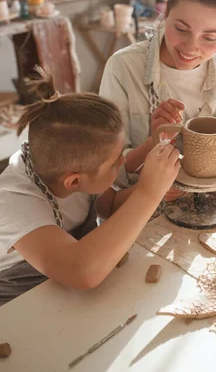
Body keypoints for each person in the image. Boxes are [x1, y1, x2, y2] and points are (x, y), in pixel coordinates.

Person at [0, 67, 180, 306]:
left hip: (67, 293)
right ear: (74, 181)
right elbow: (83, 272)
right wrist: (148, 192)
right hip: (18, 307)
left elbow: (111, 206)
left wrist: (158, 187)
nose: (124, 161)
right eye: (114, 162)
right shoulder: (14, 202)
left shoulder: (64, 166)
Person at [100, 0, 216, 197]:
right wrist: (154, 142)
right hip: (147, 208)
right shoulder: (123, 67)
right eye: (181, 29)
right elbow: (110, 173)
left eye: (209, 38)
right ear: (166, 13)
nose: (191, 47)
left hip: (213, 200)